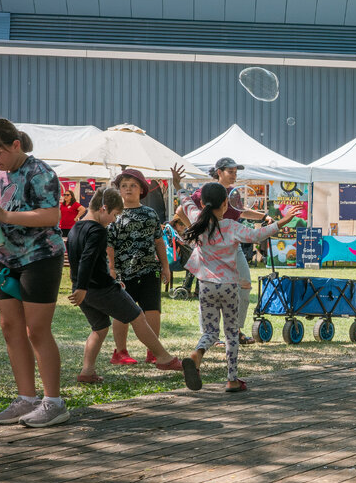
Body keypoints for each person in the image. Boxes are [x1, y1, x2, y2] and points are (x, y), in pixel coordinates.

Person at [0, 118, 69, 428]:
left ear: (16, 145)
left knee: (37, 329)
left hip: (40, 257)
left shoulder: (40, 172)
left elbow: (51, 215)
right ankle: (26, 399)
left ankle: (54, 402)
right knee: (10, 327)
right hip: (8, 259)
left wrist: (3, 214)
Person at [177, 183, 301, 393]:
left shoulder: (198, 219)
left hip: (206, 286)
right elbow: (258, 235)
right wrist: (283, 221)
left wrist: (177, 184)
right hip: (229, 288)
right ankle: (232, 379)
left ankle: (196, 354)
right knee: (232, 333)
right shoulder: (231, 227)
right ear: (225, 204)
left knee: (210, 332)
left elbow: (185, 200)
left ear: (204, 202)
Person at [67, 188, 183, 384]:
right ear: (104, 208)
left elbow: (77, 260)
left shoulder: (76, 228)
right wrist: (82, 287)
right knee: (137, 316)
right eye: (114, 215)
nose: (113, 220)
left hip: (84, 290)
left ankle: (87, 371)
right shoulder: (97, 231)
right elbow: (87, 260)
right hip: (99, 289)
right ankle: (163, 357)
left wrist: (79, 287)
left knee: (100, 327)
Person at [171, 160, 273, 347]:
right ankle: (210, 335)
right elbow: (181, 210)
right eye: (230, 171)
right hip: (210, 248)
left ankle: (237, 330)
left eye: (235, 171)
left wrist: (263, 216)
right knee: (207, 287)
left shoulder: (233, 193)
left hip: (233, 245)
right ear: (219, 172)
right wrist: (196, 233)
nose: (234, 174)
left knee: (245, 284)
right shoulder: (206, 192)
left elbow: (241, 212)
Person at [106, 168, 170, 366]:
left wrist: (166, 267)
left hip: (150, 270)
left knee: (152, 310)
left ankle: (153, 350)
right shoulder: (114, 215)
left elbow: (159, 242)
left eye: (133, 185)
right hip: (124, 273)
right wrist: (112, 268)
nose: (128, 189)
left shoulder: (150, 213)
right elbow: (109, 245)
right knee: (122, 312)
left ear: (142, 189)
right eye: (124, 186)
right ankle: (120, 352)